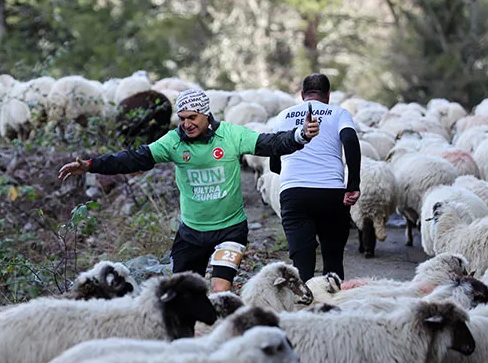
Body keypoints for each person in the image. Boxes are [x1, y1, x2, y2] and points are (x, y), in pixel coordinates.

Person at [58, 88, 320, 293]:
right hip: (191, 234)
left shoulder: (230, 135)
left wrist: (301, 135)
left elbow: (270, 143)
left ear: (206, 115)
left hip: (230, 230)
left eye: (192, 118)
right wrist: (91, 165)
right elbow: (134, 158)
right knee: (183, 293)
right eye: (182, 119)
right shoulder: (173, 142)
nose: (187, 124)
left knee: (220, 288)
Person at [269, 73, 361, 282]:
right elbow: (350, 141)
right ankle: (332, 307)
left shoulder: (284, 116)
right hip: (332, 193)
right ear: (328, 95)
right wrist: (352, 185)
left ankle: (304, 309)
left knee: (302, 263)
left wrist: (290, 175)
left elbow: (274, 158)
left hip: (294, 194)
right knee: (333, 258)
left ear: (302, 95)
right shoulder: (339, 113)